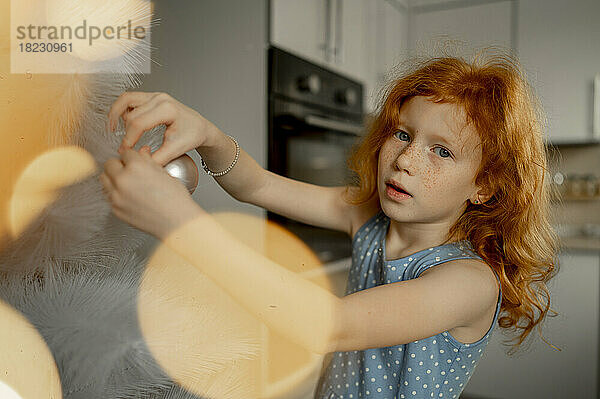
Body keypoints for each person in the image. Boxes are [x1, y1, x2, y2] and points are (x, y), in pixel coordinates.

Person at [100, 50, 560, 399]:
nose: (405, 160)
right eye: (402, 134)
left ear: (484, 185)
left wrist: (181, 226)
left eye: (442, 151)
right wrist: (208, 135)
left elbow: (328, 325)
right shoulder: (367, 218)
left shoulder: (468, 282)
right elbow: (257, 186)